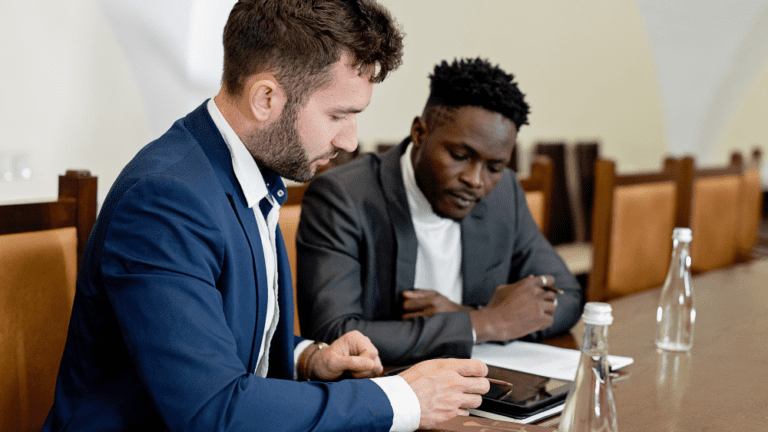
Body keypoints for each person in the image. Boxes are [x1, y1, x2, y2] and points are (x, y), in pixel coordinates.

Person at [42, 2, 490, 431]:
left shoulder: (246, 172)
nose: (351, 141)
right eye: (339, 114)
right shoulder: (164, 201)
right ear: (266, 98)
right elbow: (212, 411)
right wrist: (402, 398)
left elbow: (213, 343)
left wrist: (307, 358)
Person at [296, 57, 582, 366]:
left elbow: (567, 296)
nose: (475, 180)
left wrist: (467, 316)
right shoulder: (343, 197)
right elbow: (333, 334)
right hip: (389, 392)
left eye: (495, 167)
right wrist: (484, 324)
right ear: (420, 132)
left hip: (480, 388)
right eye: (460, 155)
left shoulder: (504, 194)